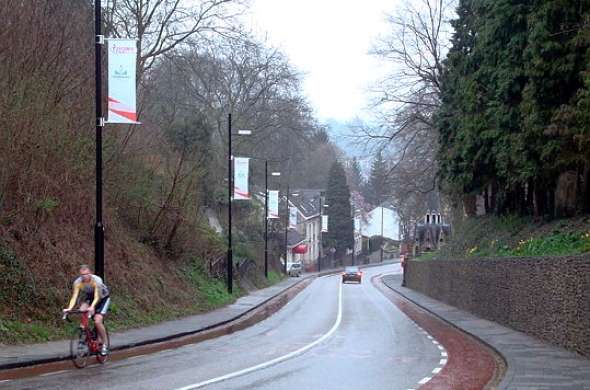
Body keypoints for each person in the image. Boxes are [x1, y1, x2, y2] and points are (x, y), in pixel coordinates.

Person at [63, 265, 111, 355]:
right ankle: (83, 335)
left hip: (102, 298)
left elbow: (97, 297)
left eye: (86, 274)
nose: (84, 276)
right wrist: (69, 308)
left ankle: (105, 344)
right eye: (82, 275)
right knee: (82, 310)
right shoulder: (78, 282)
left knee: (97, 321)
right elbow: (74, 297)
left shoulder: (97, 280)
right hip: (90, 297)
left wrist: (92, 307)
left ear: (90, 273)